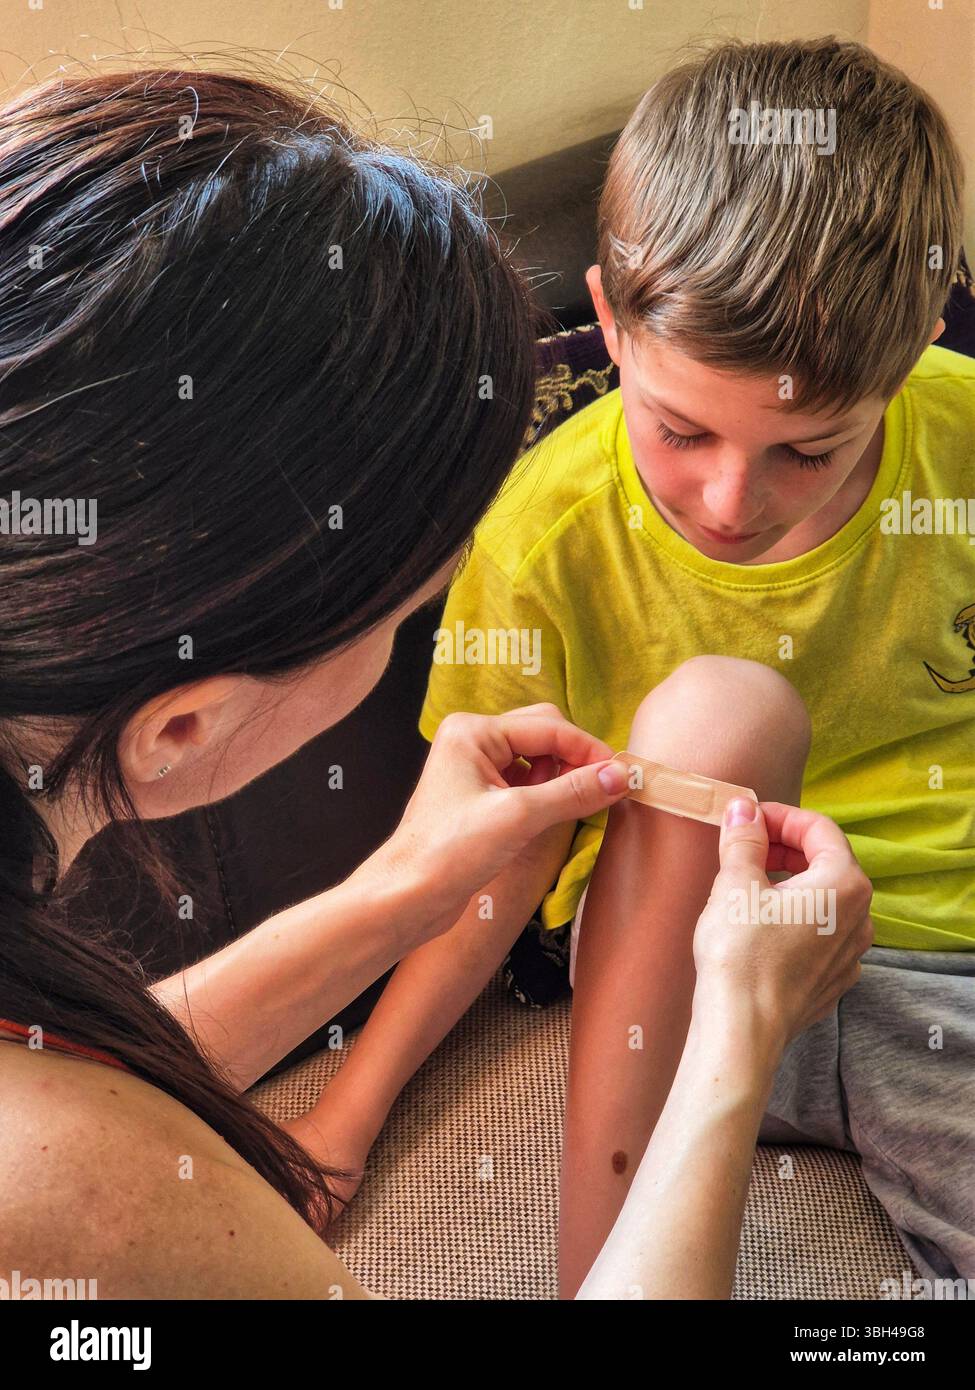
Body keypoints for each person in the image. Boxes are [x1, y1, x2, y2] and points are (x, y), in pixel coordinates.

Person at [0, 65, 870, 1302]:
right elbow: (73, 1128)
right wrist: (736, 1034)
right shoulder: (79, 1190)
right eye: (411, 608)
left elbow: (78, 1060)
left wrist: (406, 887)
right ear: (180, 722)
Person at [297, 38, 975, 1296]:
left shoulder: (962, 433)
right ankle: (590, 1276)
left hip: (945, 981)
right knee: (723, 710)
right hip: (702, 976)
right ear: (606, 317)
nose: (728, 501)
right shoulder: (545, 534)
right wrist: (347, 1112)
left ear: (917, 348)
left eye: (807, 453)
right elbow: (486, 850)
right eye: (681, 429)